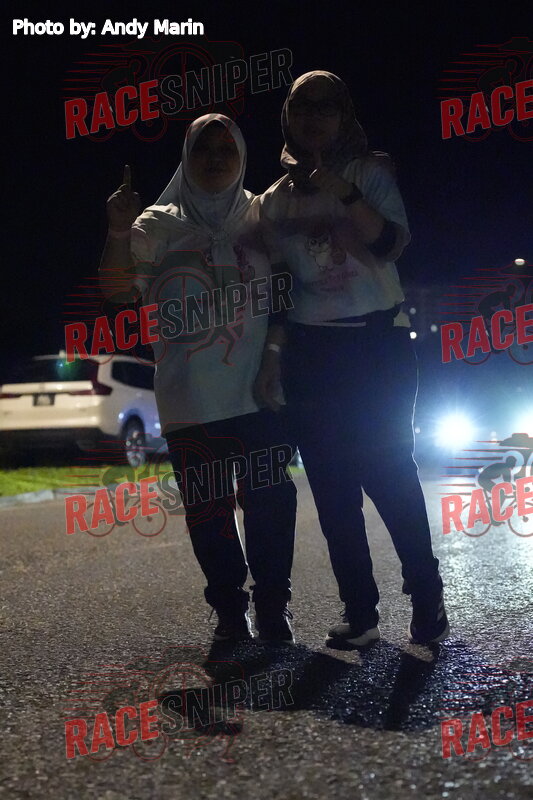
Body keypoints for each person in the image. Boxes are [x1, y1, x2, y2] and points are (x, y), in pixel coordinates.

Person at [256, 71, 449, 647]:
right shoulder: (273, 201)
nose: (312, 118)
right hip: (313, 352)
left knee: (389, 473)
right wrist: (273, 358)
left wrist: (342, 189)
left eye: (326, 107)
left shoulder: (369, 174)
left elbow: (390, 245)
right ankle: (360, 612)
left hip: (377, 345)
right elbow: (280, 287)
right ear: (287, 118)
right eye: (301, 107)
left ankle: (427, 598)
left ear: (344, 115)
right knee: (332, 486)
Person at [100, 113, 297, 643]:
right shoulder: (156, 224)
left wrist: (275, 358)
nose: (215, 158)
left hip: (258, 391)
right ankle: (230, 611)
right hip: (189, 397)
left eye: (226, 148)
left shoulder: (260, 215)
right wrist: (118, 229)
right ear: (186, 156)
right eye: (203, 148)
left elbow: (287, 291)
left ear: (241, 156)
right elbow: (117, 292)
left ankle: (274, 606)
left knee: (271, 503)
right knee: (208, 511)